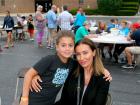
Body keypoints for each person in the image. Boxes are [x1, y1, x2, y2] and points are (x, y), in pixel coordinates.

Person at [20, 31, 112, 105]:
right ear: (57, 47)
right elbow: (30, 72)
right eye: (63, 45)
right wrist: (33, 77)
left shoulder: (72, 64)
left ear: (94, 52)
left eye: (70, 45)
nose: (82, 58)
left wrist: (103, 70)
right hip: (33, 101)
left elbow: (89, 64)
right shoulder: (55, 61)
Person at [54, 38, 110, 105]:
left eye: (85, 53)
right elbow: (64, 99)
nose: (81, 58)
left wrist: (102, 69)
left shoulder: (103, 78)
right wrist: (37, 73)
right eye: (78, 54)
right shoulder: (72, 69)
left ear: (94, 52)